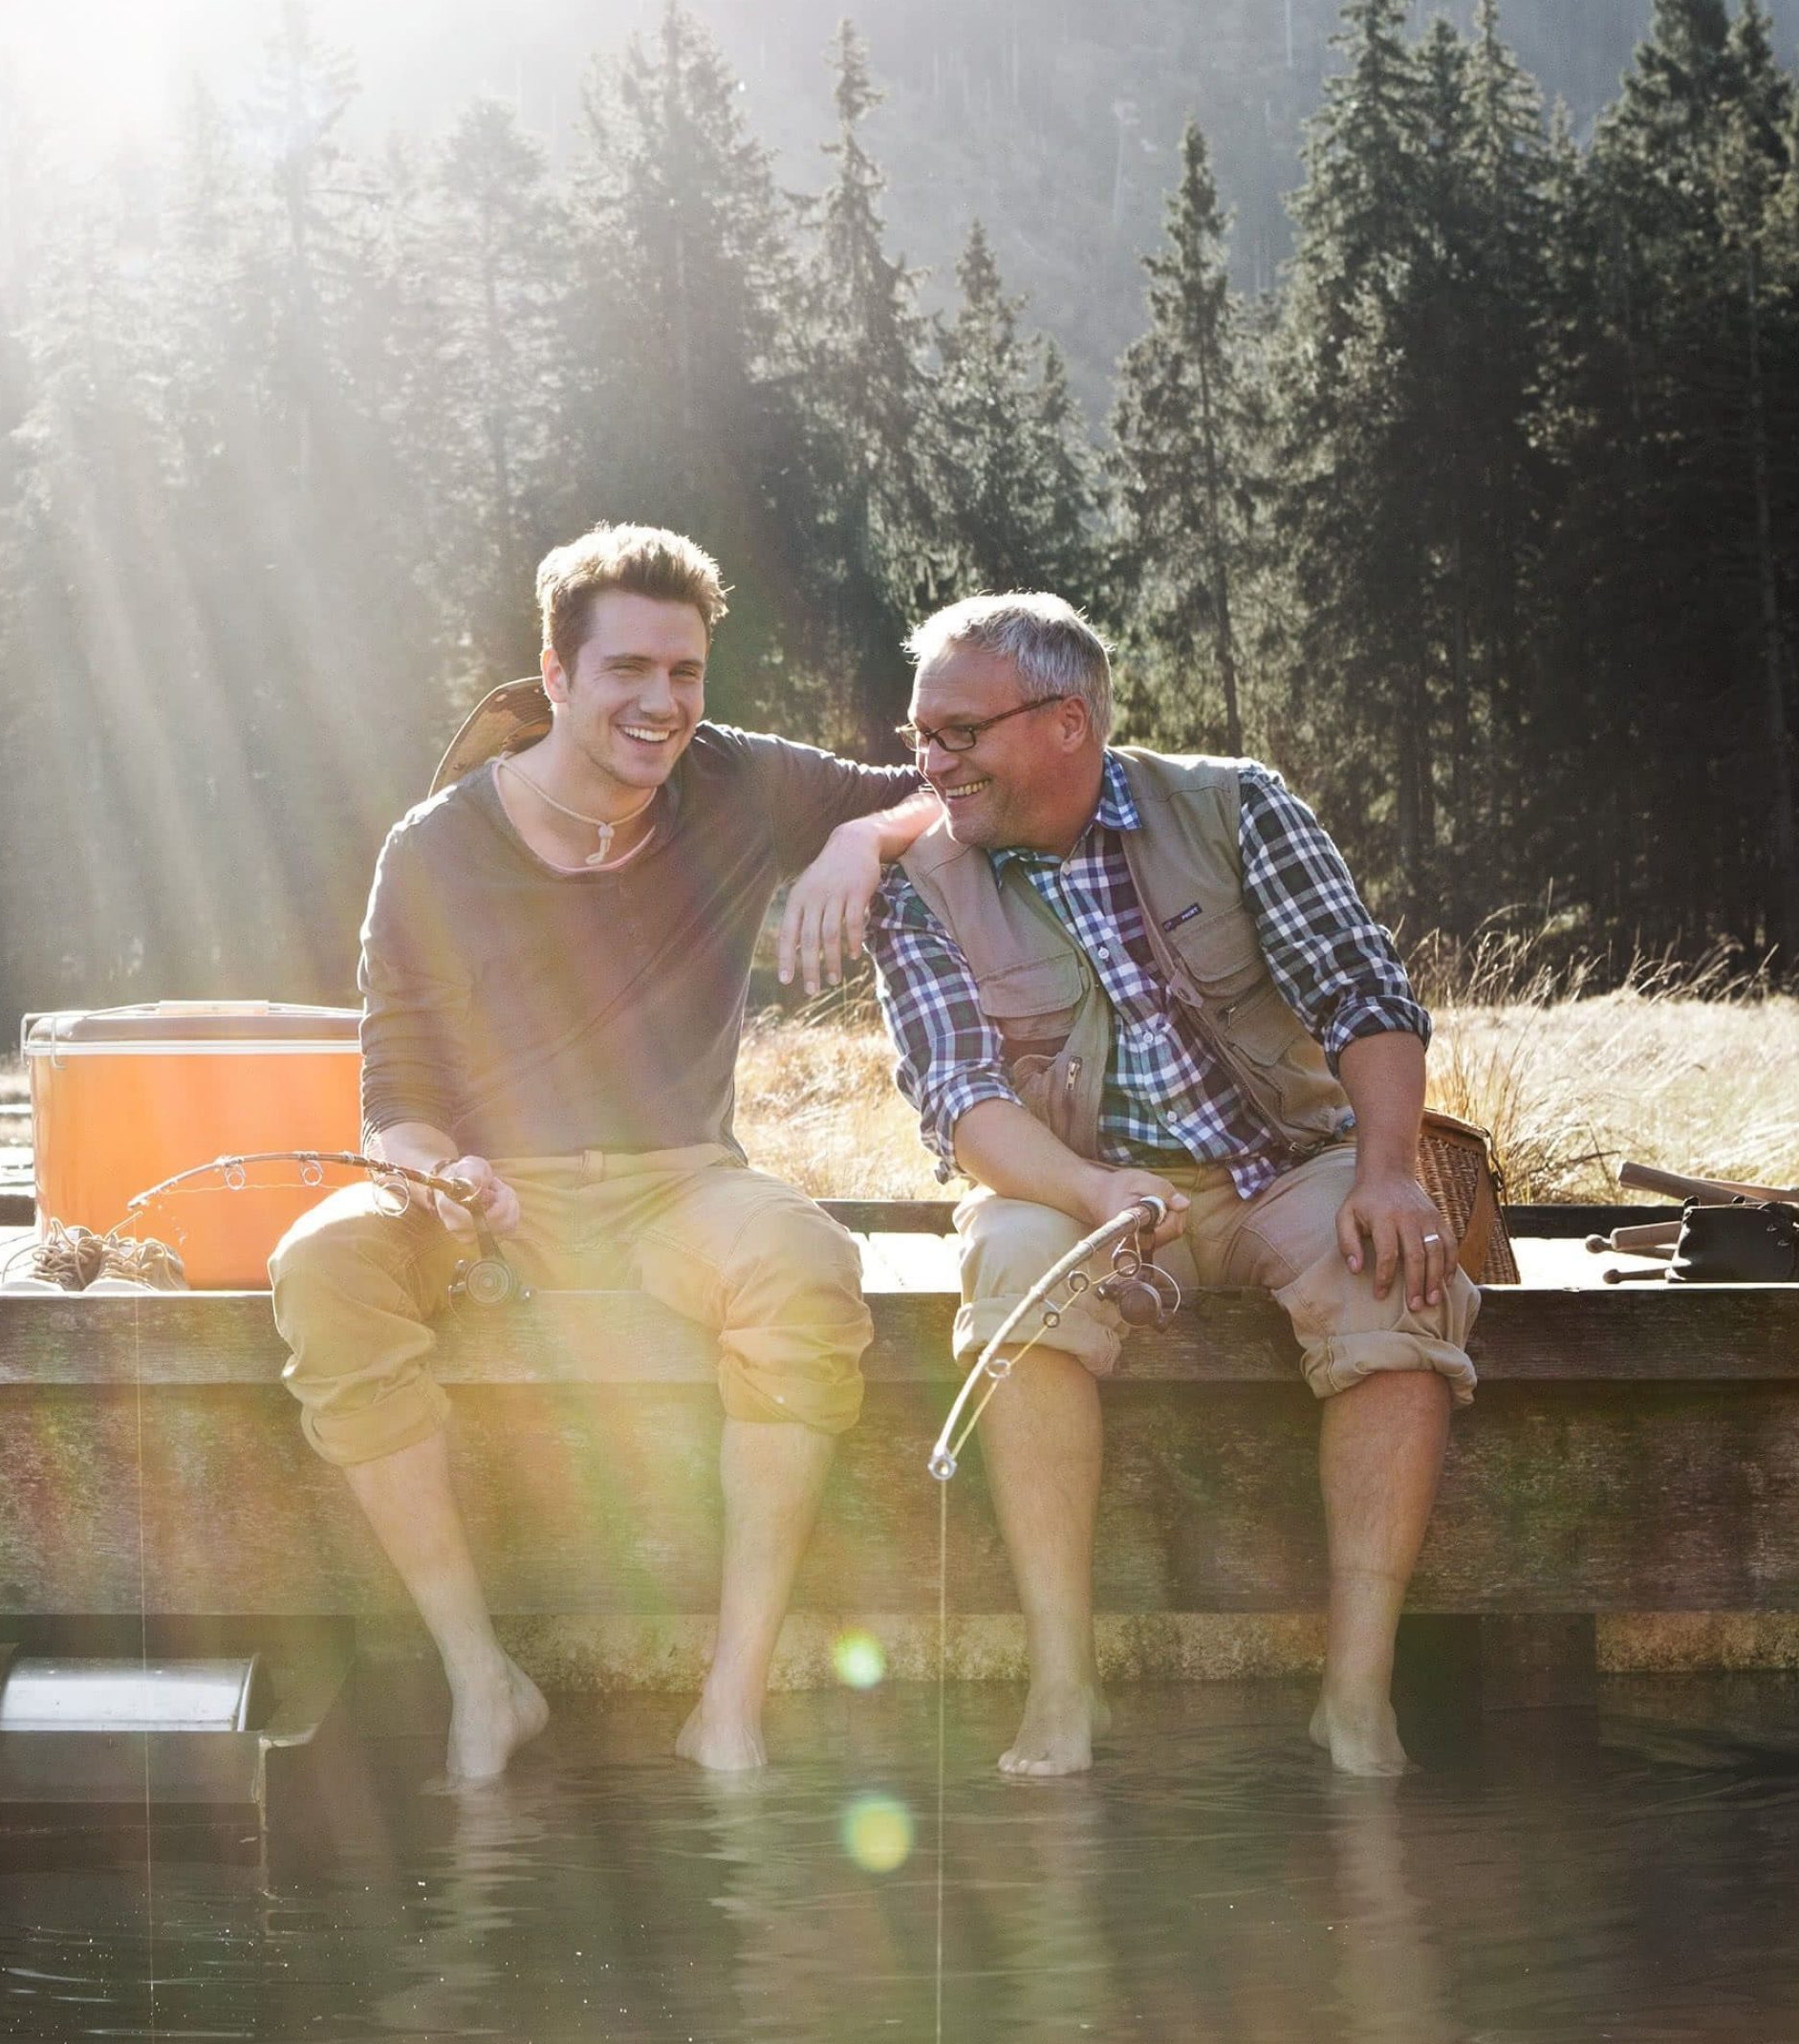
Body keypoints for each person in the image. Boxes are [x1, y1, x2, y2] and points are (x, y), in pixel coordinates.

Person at [267, 523, 937, 1783]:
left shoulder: (740, 783)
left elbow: (949, 786)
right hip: (476, 1198)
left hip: (677, 1183)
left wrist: (859, 839)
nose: (663, 702)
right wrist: (435, 1171)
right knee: (320, 1267)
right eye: (629, 669)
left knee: (806, 1263)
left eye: (685, 672)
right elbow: (395, 1083)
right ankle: (482, 1678)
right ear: (557, 673)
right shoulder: (433, 847)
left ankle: (729, 1705)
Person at [866, 593, 1473, 1779]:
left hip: (1281, 1165)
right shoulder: (916, 882)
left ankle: (1356, 1701)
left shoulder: (1237, 804)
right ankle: (1062, 1689)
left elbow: (1365, 996)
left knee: (1395, 1277)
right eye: (919, 736)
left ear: (1067, 724)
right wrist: (1093, 1191)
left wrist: (1393, 1175)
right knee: (1009, 1266)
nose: (930, 765)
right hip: (1069, 1179)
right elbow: (960, 1099)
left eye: (957, 735)